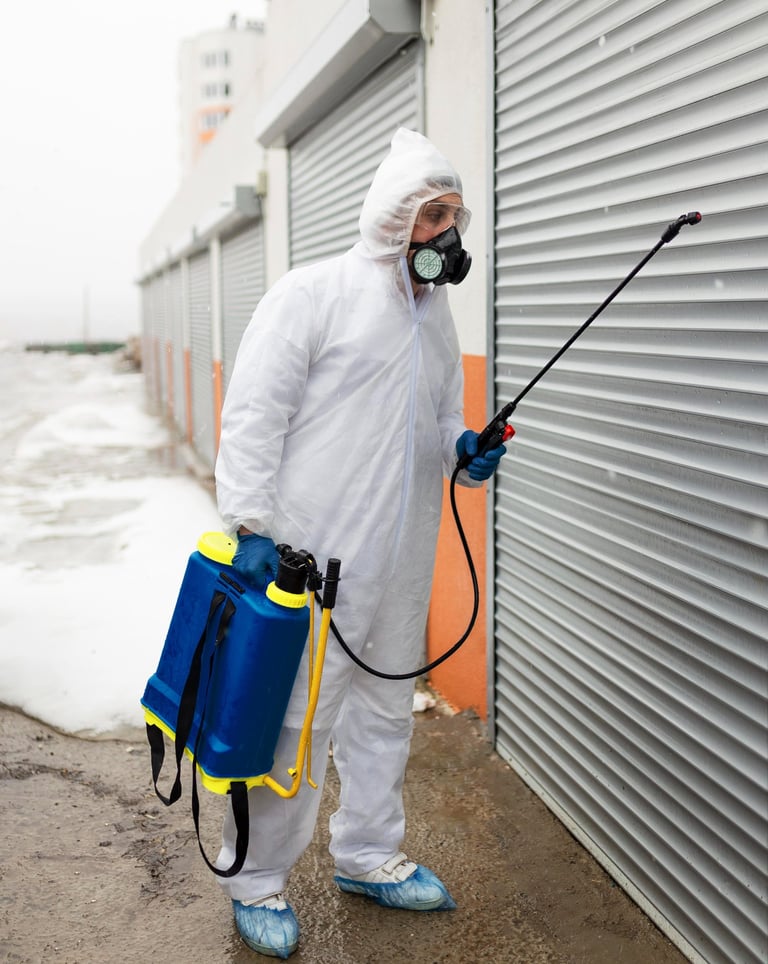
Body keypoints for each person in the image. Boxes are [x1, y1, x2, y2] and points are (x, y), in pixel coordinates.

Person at [214, 127, 506, 958]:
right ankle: (257, 878)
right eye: (430, 214)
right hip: (314, 562)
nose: (446, 234)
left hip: (404, 557)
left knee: (385, 714)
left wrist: (463, 450)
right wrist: (250, 526)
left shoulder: (435, 317)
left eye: (454, 215)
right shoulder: (314, 295)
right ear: (391, 220)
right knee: (296, 723)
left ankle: (369, 854)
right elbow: (255, 416)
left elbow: (441, 415)